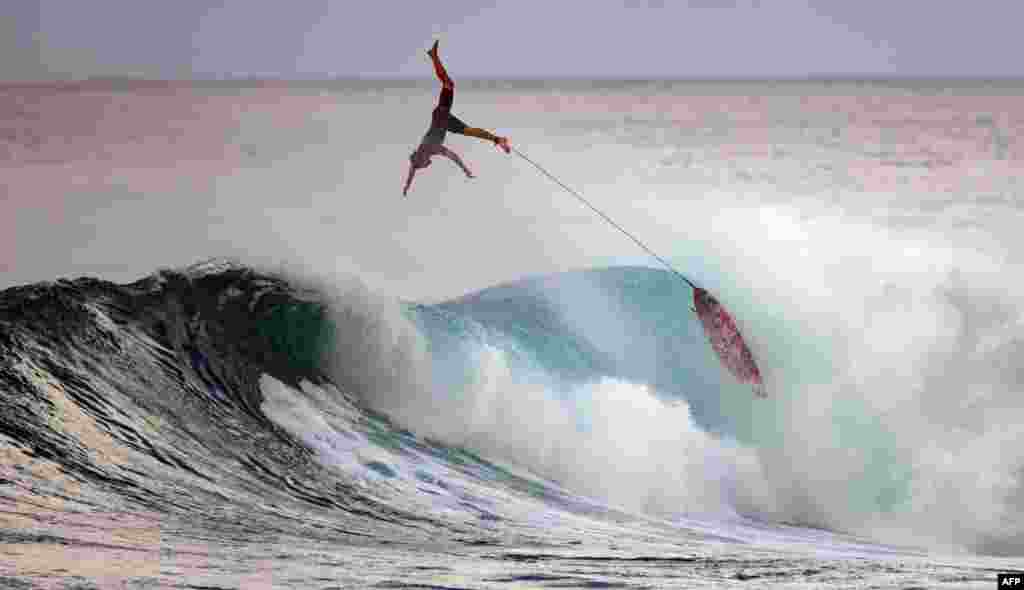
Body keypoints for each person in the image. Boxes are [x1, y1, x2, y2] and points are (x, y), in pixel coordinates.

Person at [404, 41, 511, 196]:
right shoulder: (427, 152)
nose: (428, 165)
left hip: (441, 117)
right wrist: (407, 185)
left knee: (449, 84)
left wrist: (464, 169)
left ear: (422, 159)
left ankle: (433, 56)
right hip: (444, 121)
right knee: (469, 130)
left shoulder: (432, 149)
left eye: (425, 165)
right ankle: (498, 139)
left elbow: (448, 158)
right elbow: (413, 169)